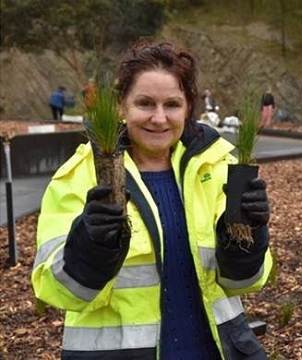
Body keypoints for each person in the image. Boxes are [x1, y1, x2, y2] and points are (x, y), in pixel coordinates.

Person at [32, 39, 273, 359]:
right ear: (122, 105)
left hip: (215, 349)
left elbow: (244, 281)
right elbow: (58, 291)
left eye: (172, 105)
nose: (159, 118)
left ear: (188, 107)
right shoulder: (81, 174)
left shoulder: (220, 167)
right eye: (145, 103)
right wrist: (90, 244)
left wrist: (252, 233)